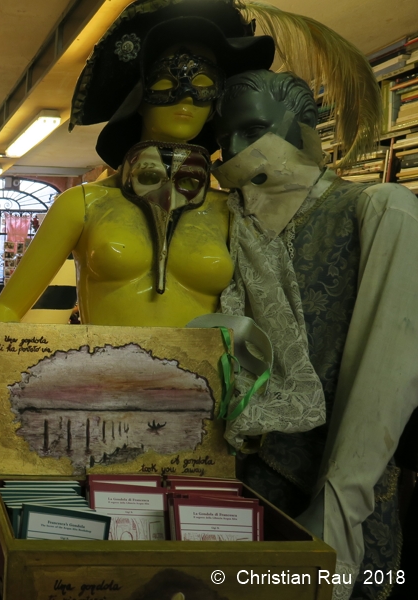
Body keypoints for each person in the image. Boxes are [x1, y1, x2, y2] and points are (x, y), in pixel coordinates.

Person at [0, 0, 276, 513]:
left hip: (204, 420)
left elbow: (265, 315)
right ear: (138, 95)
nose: (184, 97)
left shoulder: (238, 212)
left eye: (202, 83)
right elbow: (9, 309)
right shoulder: (83, 203)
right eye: (165, 83)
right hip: (95, 409)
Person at [212, 69, 417, 600]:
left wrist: (337, 509)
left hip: (335, 508)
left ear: (304, 124)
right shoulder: (222, 223)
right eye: (224, 136)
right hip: (226, 504)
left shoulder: (377, 210)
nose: (234, 150)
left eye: (253, 129)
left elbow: (387, 375)